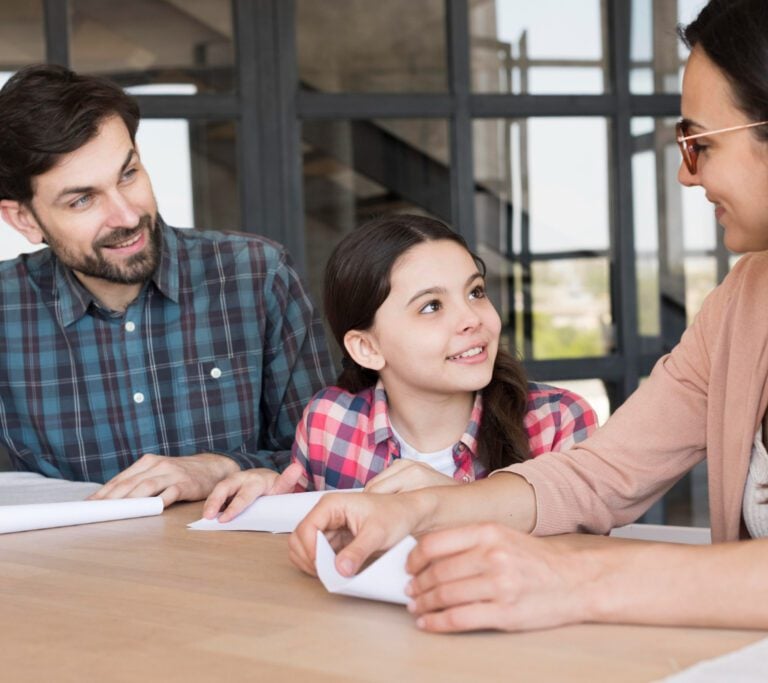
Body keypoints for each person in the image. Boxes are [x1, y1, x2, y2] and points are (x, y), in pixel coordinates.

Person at [288, 0, 768, 633]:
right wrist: (422, 510)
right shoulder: (743, 301)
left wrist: (573, 581)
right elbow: (601, 473)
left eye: (698, 142)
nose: (684, 173)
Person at [0, 64, 335, 505]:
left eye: (128, 174)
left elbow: (329, 461)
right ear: (23, 219)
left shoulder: (258, 275)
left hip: (237, 567)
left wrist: (223, 466)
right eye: (82, 199)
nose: (127, 215)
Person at [203, 214, 597, 521]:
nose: (472, 319)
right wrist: (269, 495)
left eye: (475, 292)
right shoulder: (329, 422)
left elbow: (587, 552)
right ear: (367, 347)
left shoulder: (558, 421)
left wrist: (452, 505)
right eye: (432, 306)